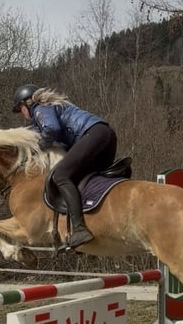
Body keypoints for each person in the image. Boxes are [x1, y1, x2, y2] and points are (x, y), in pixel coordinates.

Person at [12, 84, 118, 249]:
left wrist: (38, 148)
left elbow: (51, 129)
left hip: (93, 135)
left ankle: (80, 228)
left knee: (60, 176)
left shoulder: (40, 108)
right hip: (105, 135)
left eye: (20, 109)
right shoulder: (51, 108)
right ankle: (94, 224)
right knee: (80, 179)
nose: (22, 113)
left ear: (26, 103)